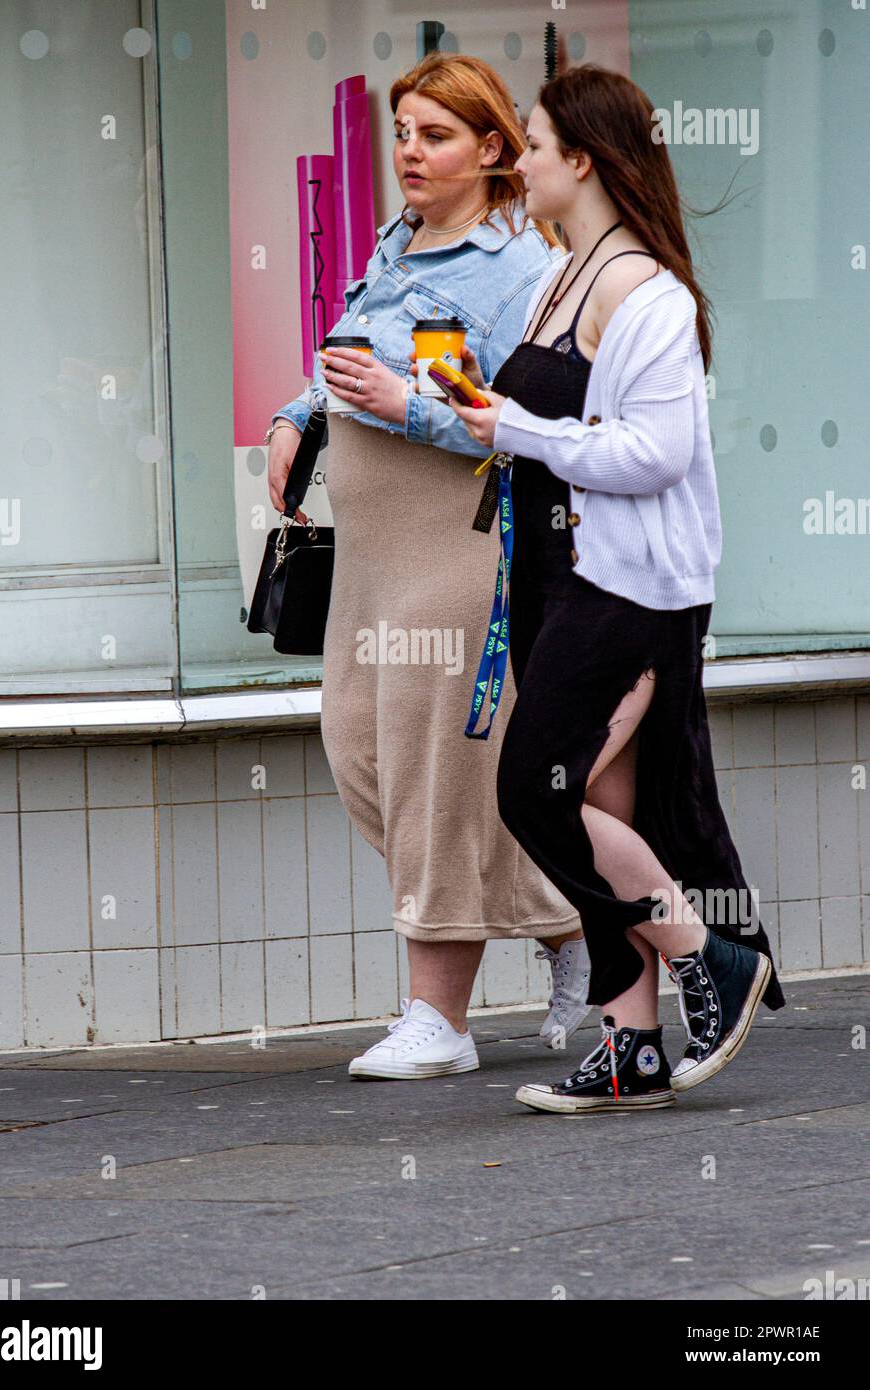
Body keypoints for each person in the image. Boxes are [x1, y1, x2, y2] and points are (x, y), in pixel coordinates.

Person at [445, 64, 785, 1114]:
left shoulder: (646, 292)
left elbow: (658, 450)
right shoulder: (562, 270)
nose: (522, 162)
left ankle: (707, 954)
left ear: (582, 160)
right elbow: (553, 422)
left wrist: (517, 429)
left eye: (536, 146)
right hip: (561, 574)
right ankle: (629, 1042)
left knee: (533, 789)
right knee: (592, 799)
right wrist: (466, 404)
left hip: (630, 589)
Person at [267, 54, 592, 1080]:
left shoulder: (522, 274)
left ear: (493, 151)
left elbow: (529, 428)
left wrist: (398, 402)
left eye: (435, 135)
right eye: (402, 131)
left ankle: (436, 1018)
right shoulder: (396, 245)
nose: (408, 151)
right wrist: (298, 414)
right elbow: (343, 357)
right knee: (359, 749)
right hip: (372, 558)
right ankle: (563, 914)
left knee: (429, 772)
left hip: (457, 547)